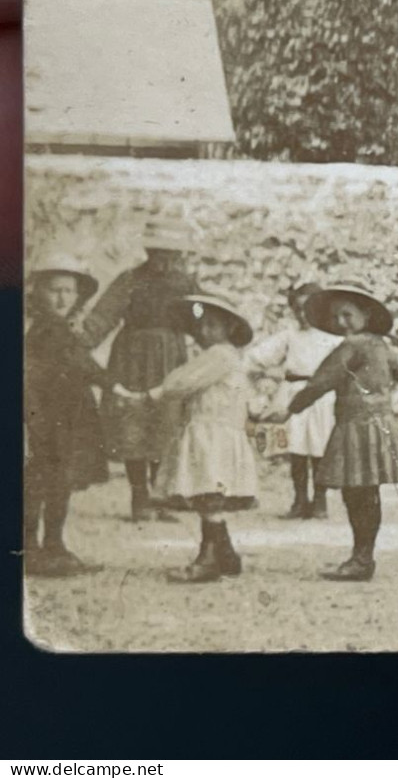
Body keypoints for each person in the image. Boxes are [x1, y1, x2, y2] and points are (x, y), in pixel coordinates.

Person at [288, 281, 398, 581]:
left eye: (347, 315)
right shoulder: (381, 345)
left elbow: (321, 382)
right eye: (336, 318)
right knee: (367, 494)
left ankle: (361, 558)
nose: (341, 323)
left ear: (366, 315)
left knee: (356, 494)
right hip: (379, 425)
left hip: (358, 426)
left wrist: (289, 409)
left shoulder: (352, 346)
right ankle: (363, 557)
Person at [132, 293, 262, 583]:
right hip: (211, 430)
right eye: (201, 324)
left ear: (229, 328)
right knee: (208, 495)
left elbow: (181, 383)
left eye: (213, 325)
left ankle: (209, 559)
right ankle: (225, 554)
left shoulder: (220, 355)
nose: (204, 331)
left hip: (212, 433)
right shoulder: (219, 356)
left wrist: (150, 394)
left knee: (208, 495)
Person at [78, 218, 199, 522]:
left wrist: (217, 335)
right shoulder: (130, 280)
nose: (165, 260)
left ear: (180, 256)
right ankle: (139, 497)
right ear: (148, 250)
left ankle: (160, 495)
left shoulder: (185, 284)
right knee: (133, 423)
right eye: (159, 252)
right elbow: (104, 315)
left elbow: (203, 314)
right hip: (133, 358)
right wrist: (79, 342)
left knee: (166, 425)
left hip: (171, 357)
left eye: (172, 254)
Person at [24, 254, 110, 577]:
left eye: (69, 291)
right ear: (39, 293)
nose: (62, 298)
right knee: (39, 480)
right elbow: (65, 367)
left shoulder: (65, 330)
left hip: (68, 416)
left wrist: (112, 383)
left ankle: (54, 546)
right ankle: (32, 547)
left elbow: (84, 365)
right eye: (54, 290)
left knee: (60, 481)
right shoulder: (44, 331)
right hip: (46, 416)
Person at [246, 282, 341, 519]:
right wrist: (263, 379)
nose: (302, 315)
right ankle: (299, 500)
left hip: (322, 397)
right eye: (297, 310)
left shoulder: (333, 337)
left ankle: (320, 501)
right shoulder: (290, 336)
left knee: (320, 450)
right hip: (294, 394)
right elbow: (256, 358)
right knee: (297, 451)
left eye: (308, 309)